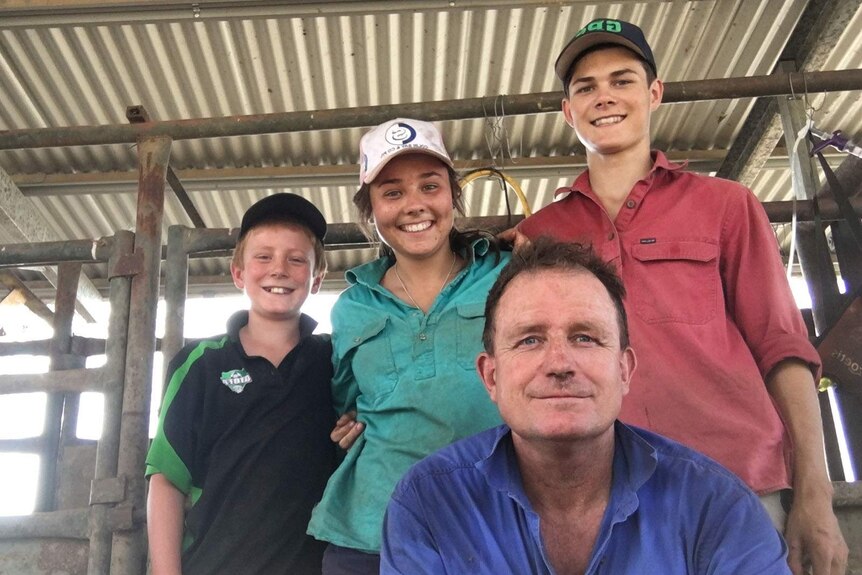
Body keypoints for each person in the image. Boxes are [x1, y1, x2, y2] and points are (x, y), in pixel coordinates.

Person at [508, 18, 847, 574]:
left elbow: (783, 350)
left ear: (654, 93)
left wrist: (816, 494)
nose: (604, 97)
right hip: (595, 503)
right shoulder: (540, 233)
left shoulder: (727, 205)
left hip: (735, 485)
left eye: (622, 80)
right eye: (585, 87)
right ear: (568, 112)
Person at [381, 238, 792, 575]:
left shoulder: (715, 506)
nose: (560, 364)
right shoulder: (428, 505)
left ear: (625, 369)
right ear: (491, 376)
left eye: (585, 338)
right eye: (529, 340)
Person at [307, 118, 511, 574]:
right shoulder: (352, 306)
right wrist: (348, 424)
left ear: (453, 196)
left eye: (430, 186)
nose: (414, 205)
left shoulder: (507, 274)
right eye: (392, 192)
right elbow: (349, 405)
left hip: (492, 522)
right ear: (371, 208)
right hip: (373, 529)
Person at [145, 193, 337, 575]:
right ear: (238, 274)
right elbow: (167, 481)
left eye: (296, 259)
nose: (278, 269)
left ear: (316, 279)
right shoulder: (199, 363)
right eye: (263, 257)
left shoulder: (335, 359)